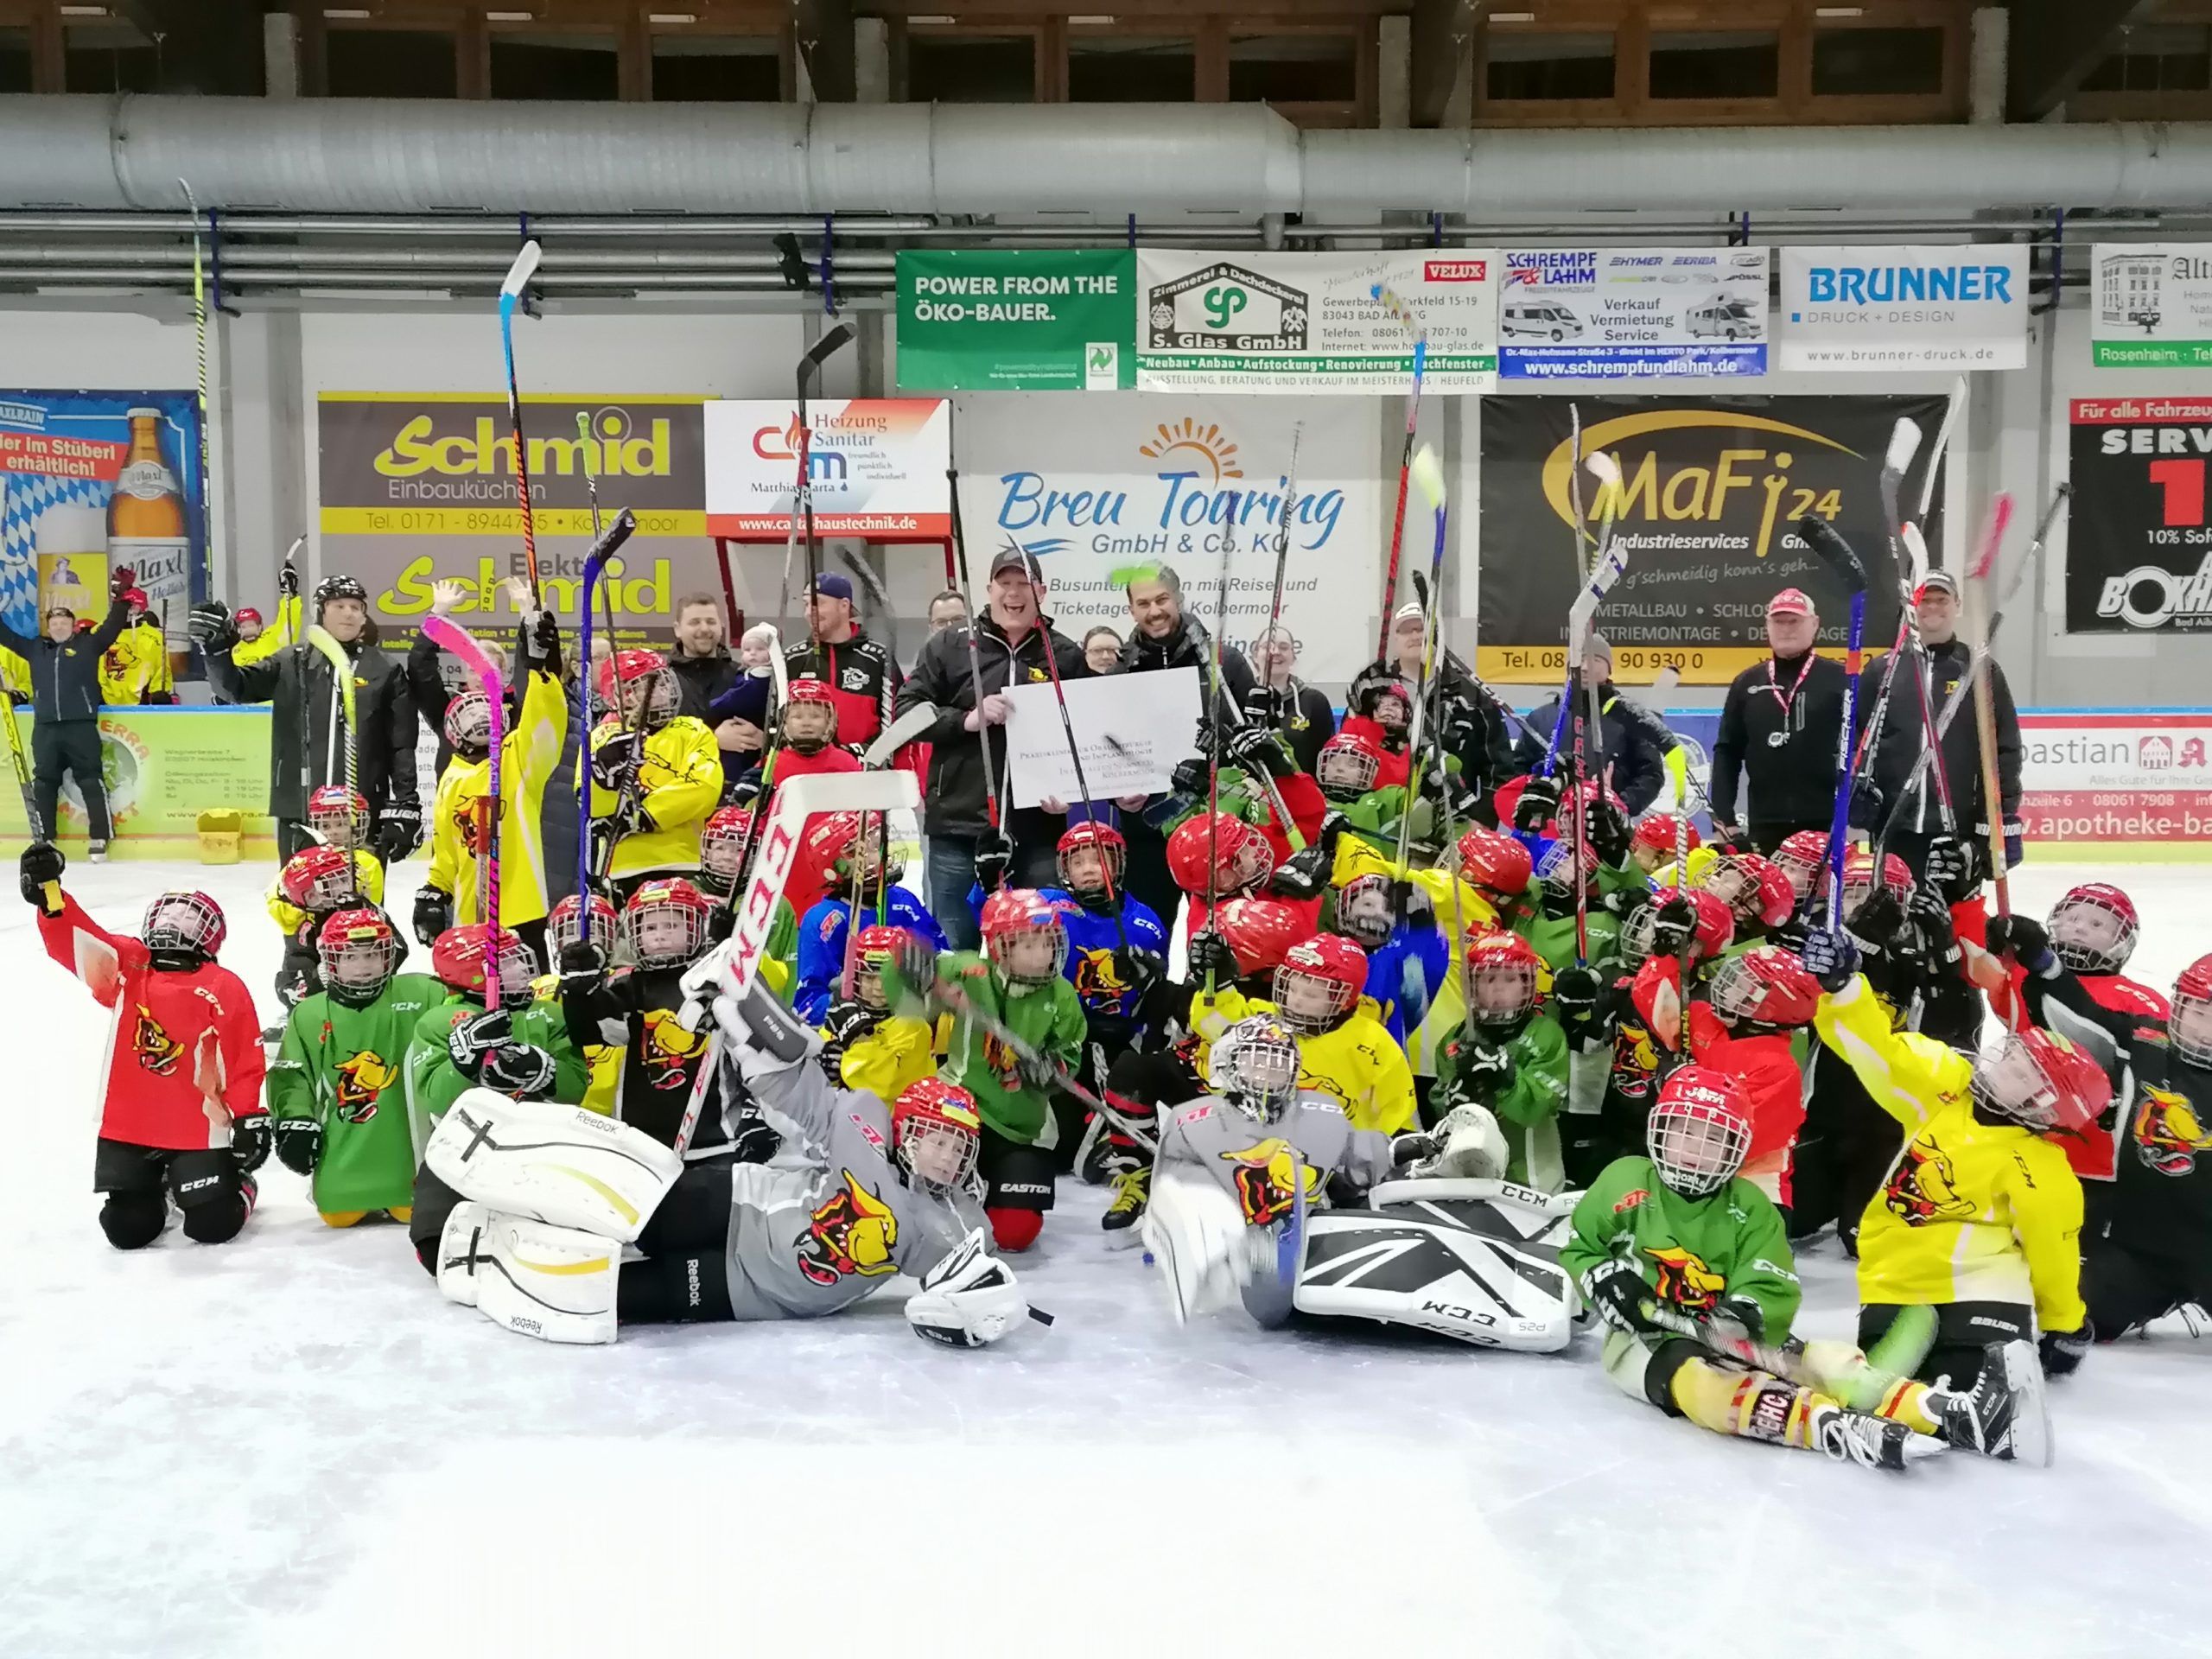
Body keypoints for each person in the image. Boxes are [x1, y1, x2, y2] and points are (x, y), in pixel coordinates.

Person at [423, 985, 1033, 1350]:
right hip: (738, 1206)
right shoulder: (864, 1126)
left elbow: (974, 1292)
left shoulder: (953, 1225)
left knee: (618, 1295)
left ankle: (488, 1260)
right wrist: (745, 1017)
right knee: (612, 1201)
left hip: (757, 1292)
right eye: (936, 1139)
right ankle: (481, 1183)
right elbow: (796, 1089)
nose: (947, 1156)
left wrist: (978, 1311)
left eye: (959, 1147)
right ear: (907, 1130)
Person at [1562, 1065, 2042, 1471]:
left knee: (1823, 1362)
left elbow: (1769, 1277)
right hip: (1645, 1343)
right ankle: (1829, 1427)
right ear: (1660, 1128)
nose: (1695, 1149)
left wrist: (1746, 1312)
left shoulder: (1750, 1206)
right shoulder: (1624, 1180)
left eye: (1713, 1138)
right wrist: (1603, 1279)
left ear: (1736, 1148)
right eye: (1684, 1131)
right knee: (1700, 1386)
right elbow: (1580, 1247)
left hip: (1729, 1332)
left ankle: (1957, 1415)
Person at [1802, 925, 2103, 1386]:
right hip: (1899, 1278)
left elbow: (2053, 1253)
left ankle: (1984, 1380)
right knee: (1894, 1384)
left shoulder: (2042, 1168)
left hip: (1988, 1285)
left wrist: (2063, 1322)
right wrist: (1844, 989)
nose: (2006, 1063)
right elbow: (1878, 1050)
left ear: (2044, 1108)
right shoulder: (1946, 1084)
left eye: (2024, 1073)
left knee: (1971, 1376)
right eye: (2016, 1055)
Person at [22, 849, 267, 1249]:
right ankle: (160, 1188)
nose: (174, 925)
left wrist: (248, 1116)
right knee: (127, 1229)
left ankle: (237, 1184)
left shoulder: (223, 985)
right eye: (169, 916)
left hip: (196, 1129)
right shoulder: (129, 967)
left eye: (188, 919)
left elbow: (244, 1059)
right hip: (130, 1127)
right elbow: (81, 941)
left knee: (213, 1225)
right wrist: (50, 899)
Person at [895, 547, 1088, 949]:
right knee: (954, 950)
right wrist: (965, 719)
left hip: (1037, 830)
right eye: (1005, 583)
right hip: (958, 827)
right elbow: (906, 711)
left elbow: (1083, 735)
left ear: (1041, 592)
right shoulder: (949, 645)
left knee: (1037, 948)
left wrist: (1068, 792)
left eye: (1024, 584)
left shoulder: (1066, 655)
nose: (1013, 593)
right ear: (989, 590)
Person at [899, 887, 1086, 1253]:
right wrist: (916, 970)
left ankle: (981, 1192)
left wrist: (1054, 1069)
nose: (1043, 955)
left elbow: (1071, 1052)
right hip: (958, 1116)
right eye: (1029, 945)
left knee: (1015, 1231)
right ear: (1000, 946)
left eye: (1048, 943)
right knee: (922, 1210)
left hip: (1018, 1129)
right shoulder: (972, 972)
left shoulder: (1062, 995)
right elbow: (910, 987)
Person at [194, 575, 422, 865]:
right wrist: (216, 651)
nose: (349, 613)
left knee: (363, 893)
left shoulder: (384, 669)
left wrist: (405, 803)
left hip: (363, 810)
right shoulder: (291, 662)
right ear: (321, 611)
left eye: (356, 607)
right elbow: (233, 689)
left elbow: (401, 744)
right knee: (300, 892)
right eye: (339, 605)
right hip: (299, 810)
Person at [266, 906, 445, 1229]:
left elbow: (459, 1010)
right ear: (330, 961)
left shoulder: (424, 993)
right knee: (338, 1215)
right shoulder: (309, 1014)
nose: (363, 967)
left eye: (372, 955)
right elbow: (293, 1077)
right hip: (344, 1155)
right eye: (349, 957)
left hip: (410, 1159)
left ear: (388, 956)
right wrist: (295, 1120)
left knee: (411, 1209)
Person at [413, 596, 567, 963]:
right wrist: (436, 889)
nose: (478, 718)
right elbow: (446, 845)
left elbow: (544, 716)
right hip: (472, 911)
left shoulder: (518, 756)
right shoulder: (452, 776)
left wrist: (542, 665)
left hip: (521, 908)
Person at [1859, 569, 2024, 877]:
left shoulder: (1980, 670)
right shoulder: (1883, 669)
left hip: (1959, 829)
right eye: (1925, 600)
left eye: (1942, 599)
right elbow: (1859, 740)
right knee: (1893, 904)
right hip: (1894, 826)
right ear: (1912, 606)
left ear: (1957, 605)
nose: (1933, 607)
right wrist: (1860, 788)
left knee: (1956, 906)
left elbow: (2005, 749)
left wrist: (2003, 813)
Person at [2082, 954, 2212, 1342]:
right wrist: (2042, 963)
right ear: (2180, 1005)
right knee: (2078, 1311)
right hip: (2142, 1246)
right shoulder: (2146, 1041)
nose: (2207, 1029)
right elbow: (2077, 1012)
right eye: (2200, 1011)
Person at [1709, 588, 1849, 854]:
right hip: (1765, 824)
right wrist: (1724, 817)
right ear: (1767, 626)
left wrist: (1856, 816)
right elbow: (1727, 751)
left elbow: (1864, 747)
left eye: (1794, 621)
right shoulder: (1747, 683)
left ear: (1814, 624)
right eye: (1778, 621)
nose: (1786, 629)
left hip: (1827, 823)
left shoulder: (1842, 680)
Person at [0, 575, 130, 859]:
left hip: (80, 725)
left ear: (73, 625)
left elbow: (111, 628)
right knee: (44, 783)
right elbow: (6, 637)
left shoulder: (88, 646)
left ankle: (100, 837)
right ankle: (45, 838)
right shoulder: (35, 649)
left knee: (90, 779)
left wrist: (121, 602)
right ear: (48, 627)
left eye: (64, 622)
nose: (58, 626)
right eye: (54, 622)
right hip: (45, 727)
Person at [587, 649, 721, 893]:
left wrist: (644, 815)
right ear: (622, 694)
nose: (663, 692)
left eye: (664, 683)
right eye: (651, 684)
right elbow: (586, 799)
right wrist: (604, 778)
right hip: (621, 866)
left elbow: (704, 787)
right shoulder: (601, 738)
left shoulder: (693, 730)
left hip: (683, 860)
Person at [1512, 636, 1672, 814]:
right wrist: (1536, 798)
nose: (1585, 667)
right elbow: (1518, 770)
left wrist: (1619, 806)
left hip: (1606, 824)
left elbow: (1651, 774)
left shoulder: (1632, 719)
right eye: (1579, 660)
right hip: (1549, 823)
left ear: (1609, 669)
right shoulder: (1540, 718)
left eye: (1595, 660)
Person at [785, 572, 904, 753]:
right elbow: (775, 722)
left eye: (819, 603)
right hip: (806, 767)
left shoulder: (878, 659)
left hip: (864, 768)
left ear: (844, 605)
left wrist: (861, 753)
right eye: (806, 604)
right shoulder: (793, 658)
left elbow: (898, 722)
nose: (810, 612)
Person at [1245, 624, 1337, 778]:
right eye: (1267, 646)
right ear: (1255, 655)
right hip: (1252, 790)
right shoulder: (1240, 698)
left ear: (1293, 657)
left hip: (1301, 789)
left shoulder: (1315, 702)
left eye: (1284, 647)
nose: (1275, 652)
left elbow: (1327, 759)